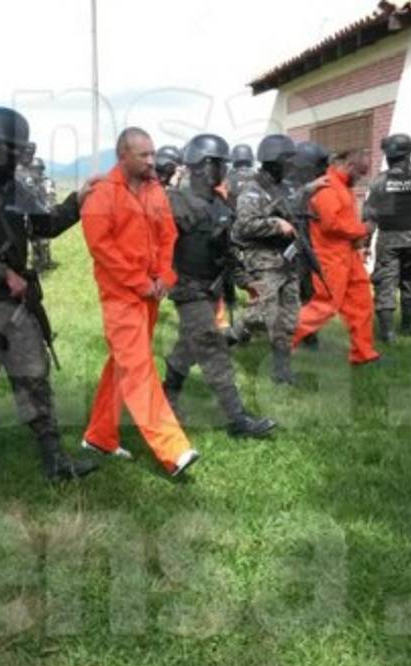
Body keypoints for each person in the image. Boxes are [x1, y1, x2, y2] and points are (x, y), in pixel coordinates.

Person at [0, 107, 99, 481]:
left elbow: (46, 225)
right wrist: (3, 273)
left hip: (18, 302)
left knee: (33, 374)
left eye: (20, 149)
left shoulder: (20, 189)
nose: (17, 157)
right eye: (10, 149)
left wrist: (76, 202)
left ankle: (54, 461)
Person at [81, 127, 200, 478]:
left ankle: (99, 436)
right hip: (121, 297)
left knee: (123, 364)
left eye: (152, 154)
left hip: (150, 293)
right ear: (123, 156)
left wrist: (164, 275)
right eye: (144, 155)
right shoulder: (103, 195)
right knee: (137, 368)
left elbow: (168, 235)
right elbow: (102, 249)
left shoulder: (155, 191)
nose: (152, 160)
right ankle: (173, 449)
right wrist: (140, 283)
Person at [163, 134, 277, 438]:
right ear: (199, 165)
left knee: (187, 347)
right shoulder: (175, 201)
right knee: (213, 349)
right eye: (216, 163)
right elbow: (155, 243)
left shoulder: (221, 202)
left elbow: (228, 249)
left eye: (223, 163)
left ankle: (167, 394)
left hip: (212, 287)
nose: (222, 169)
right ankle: (238, 420)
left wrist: (244, 281)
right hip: (188, 287)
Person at [291, 149, 381, 366]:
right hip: (331, 259)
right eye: (359, 173)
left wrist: (359, 240)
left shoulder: (343, 187)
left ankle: (363, 353)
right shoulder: (328, 186)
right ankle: (284, 338)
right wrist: (363, 229)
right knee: (325, 306)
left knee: (361, 303)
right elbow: (331, 224)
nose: (360, 178)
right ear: (349, 165)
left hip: (349, 256)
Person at [230, 134, 301, 384]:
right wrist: (275, 224)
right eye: (288, 160)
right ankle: (229, 336)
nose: (292, 165)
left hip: (287, 260)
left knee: (289, 317)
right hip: (263, 261)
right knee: (263, 315)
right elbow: (245, 225)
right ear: (274, 161)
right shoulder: (253, 190)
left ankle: (282, 371)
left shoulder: (285, 187)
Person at [366, 134, 411, 342]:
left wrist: (364, 243)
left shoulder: (380, 181)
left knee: (385, 283)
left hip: (388, 240)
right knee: (409, 280)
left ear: (388, 156)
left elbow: (370, 216)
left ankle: (387, 333)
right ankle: (407, 327)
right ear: (409, 153)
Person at [16, 142, 55, 273]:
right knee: (28, 236)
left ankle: (44, 261)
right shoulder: (19, 169)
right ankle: (31, 262)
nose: (29, 152)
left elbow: (47, 188)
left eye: (31, 150)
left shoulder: (39, 170)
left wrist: (48, 204)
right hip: (25, 209)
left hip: (39, 206)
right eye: (27, 150)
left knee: (42, 237)